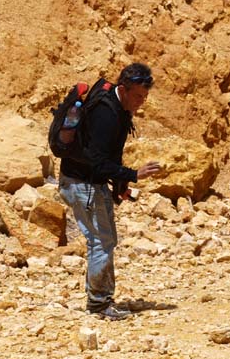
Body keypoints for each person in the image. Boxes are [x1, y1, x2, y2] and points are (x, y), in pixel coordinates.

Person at [58, 62, 161, 320]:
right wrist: (133, 175)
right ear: (123, 90)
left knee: (105, 240)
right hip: (83, 184)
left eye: (145, 96)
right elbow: (97, 161)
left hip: (91, 183)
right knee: (101, 242)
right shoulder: (107, 114)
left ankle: (102, 300)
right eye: (138, 96)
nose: (142, 102)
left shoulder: (119, 107)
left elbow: (109, 154)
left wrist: (120, 185)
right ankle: (99, 304)